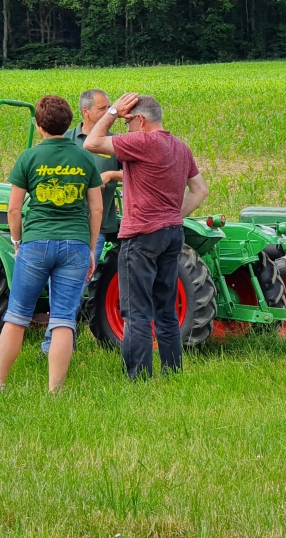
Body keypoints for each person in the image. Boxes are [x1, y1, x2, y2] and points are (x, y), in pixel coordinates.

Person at [84, 93, 209, 379]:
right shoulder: (180, 147)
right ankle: (172, 372)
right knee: (165, 308)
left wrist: (114, 110)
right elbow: (200, 189)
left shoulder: (142, 141)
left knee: (136, 311)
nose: (125, 129)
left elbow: (92, 142)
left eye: (129, 123)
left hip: (141, 236)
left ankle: (138, 377)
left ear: (140, 120)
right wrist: (175, 215)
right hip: (172, 234)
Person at [0, 95, 102, 393]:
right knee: (63, 318)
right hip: (74, 244)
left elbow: (13, 209)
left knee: (17, 315)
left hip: (36, 243)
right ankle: (55, 391)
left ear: (39, 126)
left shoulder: (29, 157)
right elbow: (97, 209)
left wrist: (16, 241)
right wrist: (89, 248)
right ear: (68, 123)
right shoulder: (84, 157)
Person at [39, 88, 122, 354]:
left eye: (111, 108)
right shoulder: (67, 140)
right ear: (85, 112)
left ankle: (55, 346)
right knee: (62, 288)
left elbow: (136, 172)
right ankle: (59, 345)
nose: (111, 114)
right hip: (65, 226)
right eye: (103, 109)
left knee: (75, 286)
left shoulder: (114, 143)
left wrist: (112, 175)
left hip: (96, 229)